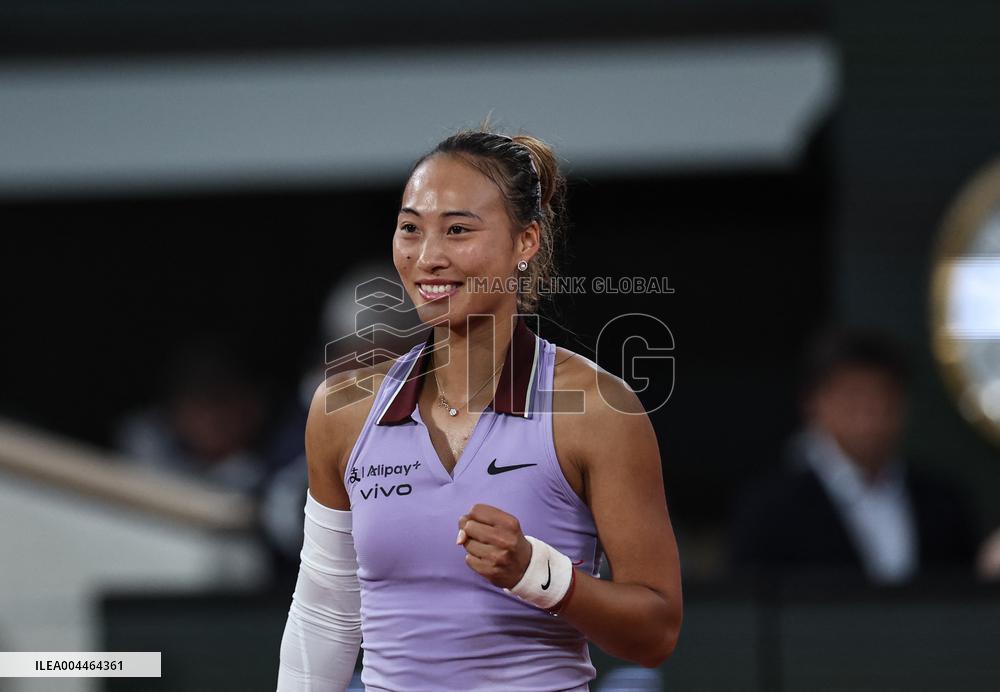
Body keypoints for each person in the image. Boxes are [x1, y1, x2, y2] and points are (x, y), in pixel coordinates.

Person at [276, 128, 683, 691]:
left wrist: (538, 574)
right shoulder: (341, 409)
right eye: (410, 229)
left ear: (526, 242)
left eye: (458, 231)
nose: (428, 258)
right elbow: (323, 616)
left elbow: (656, 633)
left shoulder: (599, 409)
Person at [729, 326, 981, 584]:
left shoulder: (944, 503)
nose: (870, 414)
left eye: (883, 397)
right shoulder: (770, 510)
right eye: (853, 397)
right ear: (814, 403)